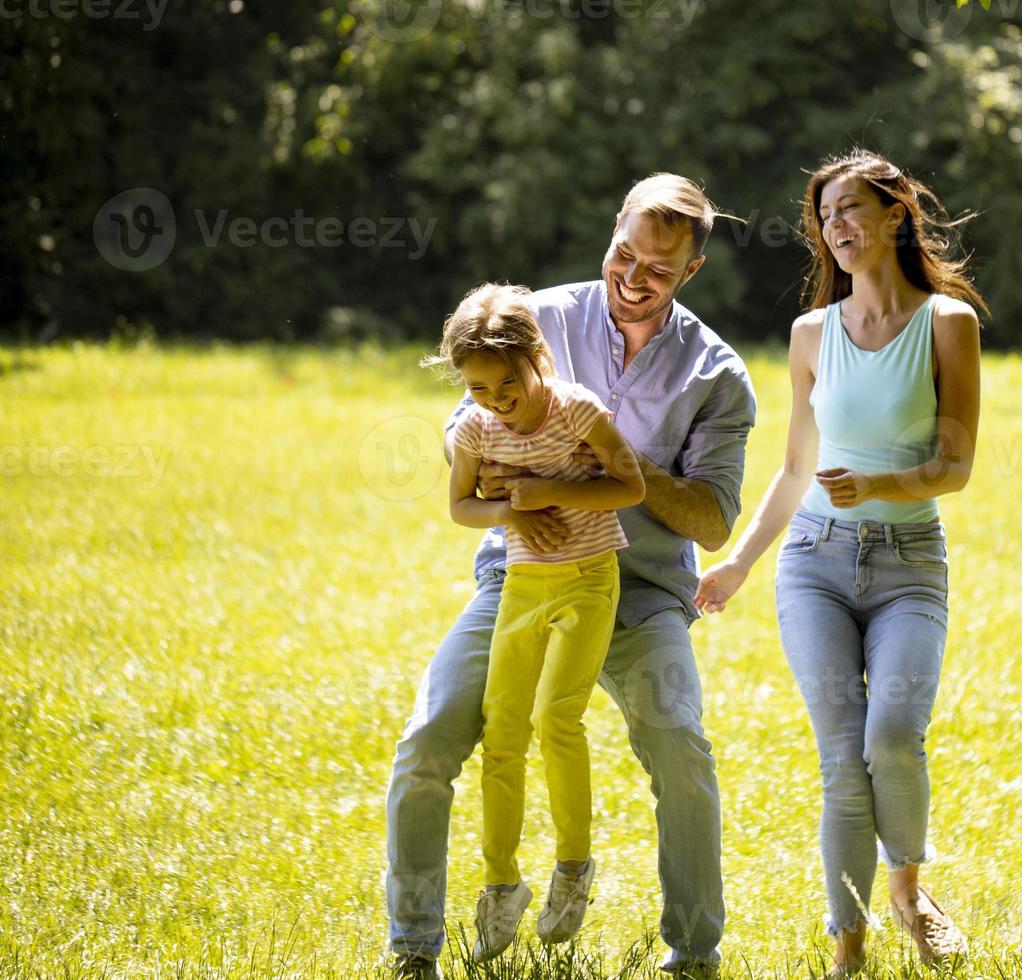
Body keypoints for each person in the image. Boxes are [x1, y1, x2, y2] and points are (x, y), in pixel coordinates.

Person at [386, 174, 756, 980]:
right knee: (429, 737)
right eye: (625, 253)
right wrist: (520, 476)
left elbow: (714, 521)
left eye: (658, 270)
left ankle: (693, 954)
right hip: (518, 577)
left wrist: (612, 459)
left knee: (680, 748)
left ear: (691, 272)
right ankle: (413, 947)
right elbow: (466, 440)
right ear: (613, 229)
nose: (632, 278)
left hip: (643, 594)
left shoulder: (716, 376)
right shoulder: (539, 317)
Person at [695, 149, 983, 976]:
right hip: (813, 564)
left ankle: (909, 892)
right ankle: (847, 945)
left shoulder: (948, 324)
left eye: (852, 209)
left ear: (896, 213)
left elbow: (956, 465)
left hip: (909, 563)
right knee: (841, 753)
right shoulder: (812, 333)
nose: (838, 227)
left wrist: (877, 483)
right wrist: (741, 563)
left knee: (892, 736)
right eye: (826, 216)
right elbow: (793, 470)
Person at [423, 282, 646, 960]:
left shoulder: (577, 412)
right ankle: (501, 886)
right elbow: (461, 506)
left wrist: (551, 490)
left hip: (587, 579)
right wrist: (511, 513)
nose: (496, 401)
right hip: (522, 582)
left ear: (535, 356)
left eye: (506, 385)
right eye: (479, 388)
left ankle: (574, 870)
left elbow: (631, 485)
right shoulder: (474, 426)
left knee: (557, 718)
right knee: (503, 729)